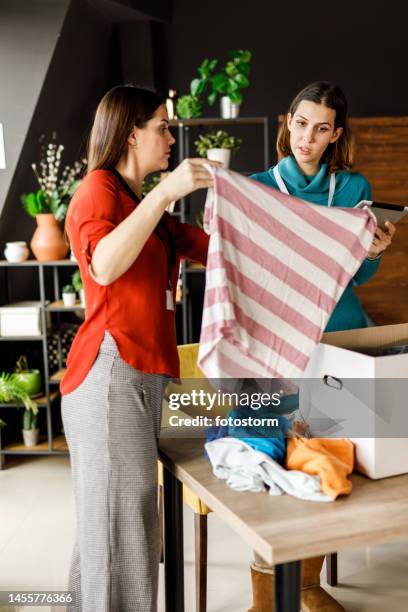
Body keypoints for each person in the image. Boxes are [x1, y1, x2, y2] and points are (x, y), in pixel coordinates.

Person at [60, 85, 220, 612]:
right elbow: (104, 264)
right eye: (162, 127)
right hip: (111, 374)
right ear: (131, 133)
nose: (171, 138)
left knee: (113, 529)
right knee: (124, 534)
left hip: (148, 378)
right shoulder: (98, 190)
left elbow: (222, 250)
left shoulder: (146, 209)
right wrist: (165, 193)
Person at [248, 81, 396, 612]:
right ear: (288, 122)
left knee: (332, 459)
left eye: (321, 128)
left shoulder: (354, 187)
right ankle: (266, 597)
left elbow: (356, 275)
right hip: (280, 346)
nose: (308, 136)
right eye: (301, 123)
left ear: (336, 135)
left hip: (342, 341)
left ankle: (308, 585)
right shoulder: (257, 186)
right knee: (277, 462)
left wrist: (375, 250)